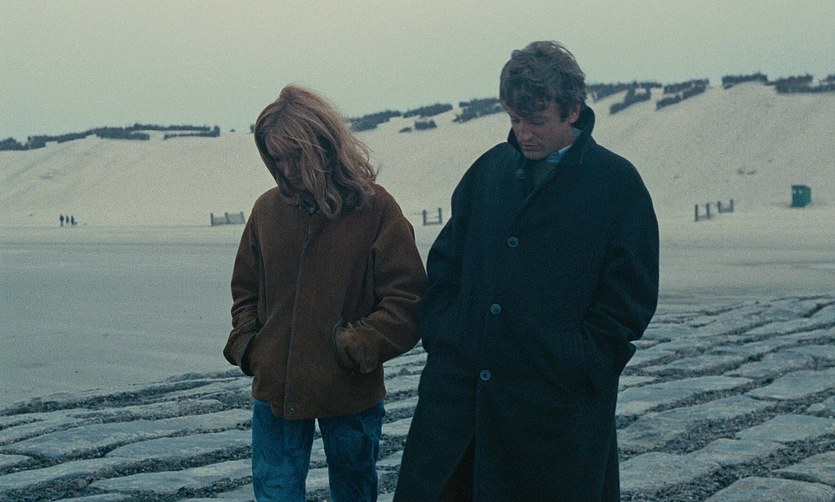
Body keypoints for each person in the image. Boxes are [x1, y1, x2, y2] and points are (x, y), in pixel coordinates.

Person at [395, 41, 659, 501]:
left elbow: (629, 299)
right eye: (515, 120)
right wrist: (447, 335)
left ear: (573, 111)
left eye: (536, 121)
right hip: (459, 404)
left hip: (553, 413)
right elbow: (445, 266)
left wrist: (579, 362)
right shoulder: (488, 172)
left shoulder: (616, 184)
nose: (523, 134)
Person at [223, 84, 426, 501]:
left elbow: (408, 301)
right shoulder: (266, 211)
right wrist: (249, 346)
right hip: (275, 392)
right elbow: (245, 290)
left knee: (354, 494)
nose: (286, 169)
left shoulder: (376, 209)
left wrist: (355, 346)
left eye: (296, 156)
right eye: (276, 158)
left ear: (324, 145)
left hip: (349, 393)